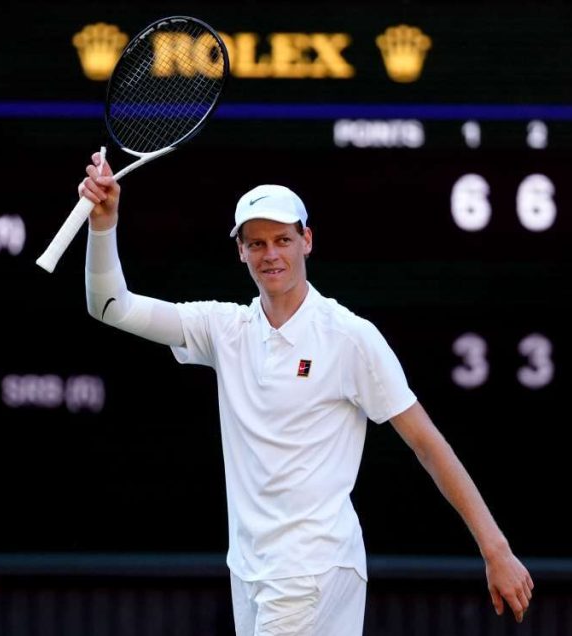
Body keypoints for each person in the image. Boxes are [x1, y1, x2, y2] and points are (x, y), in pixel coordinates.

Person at [78, 153, 533, 635]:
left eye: (282, 240)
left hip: (310, 569)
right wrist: (104, 225)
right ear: (240, 251)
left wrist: (496, 550)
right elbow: (110, 306)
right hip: (252, 571)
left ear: (306, 241)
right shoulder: (224, 328)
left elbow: (427, 442)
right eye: (257, 243)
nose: (270, 254)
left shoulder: (350, 336)